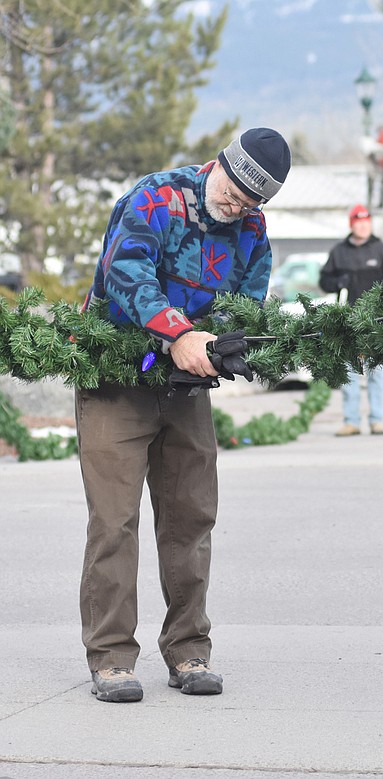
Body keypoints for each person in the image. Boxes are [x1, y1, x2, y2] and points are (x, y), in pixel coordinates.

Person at [76, 127, 291, 703]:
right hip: (116, 381)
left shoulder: (251, 229)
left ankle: (189, 650)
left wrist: (232, 342)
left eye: (252, 200)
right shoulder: (155, 197)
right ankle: (112, 658)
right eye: (233, 189)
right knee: (114, 522)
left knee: (191, 519)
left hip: (185, 388)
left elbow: (247, 300)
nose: (236, 204)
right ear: (217, 164)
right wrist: (178, 333)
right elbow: (127, 273)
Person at [318, 204, 383, 436]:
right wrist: (338, 283)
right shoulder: (339, 252)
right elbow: (324, 281)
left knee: (376, 372)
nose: (363, 226)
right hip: (348, 321)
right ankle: (351, 421)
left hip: (378, 322)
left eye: (367, 222)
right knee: (349, 373)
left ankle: (377, 420)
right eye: (358, 222)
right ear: (351, 224)